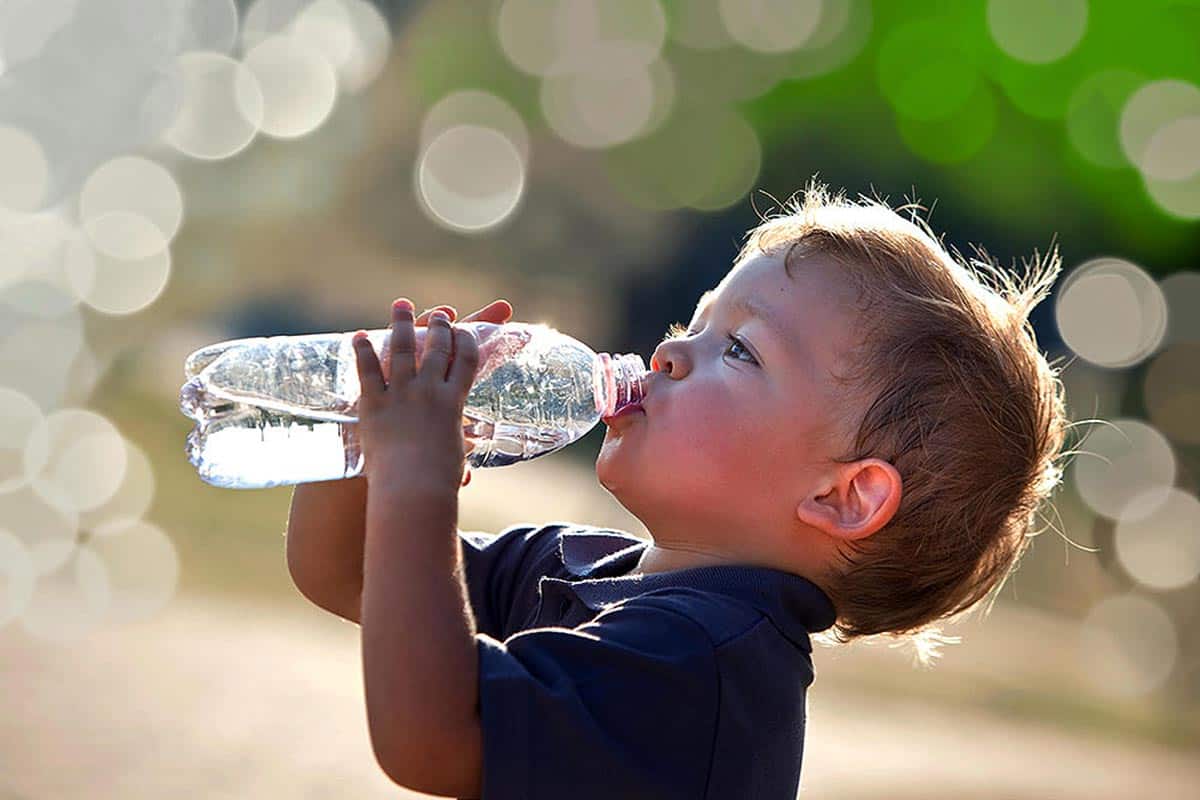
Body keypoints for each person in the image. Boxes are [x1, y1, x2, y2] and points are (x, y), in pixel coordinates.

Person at [285, 180, 1071, 799]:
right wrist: (368, 442)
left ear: (844, 497)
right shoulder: (589, 569)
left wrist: (419, 484)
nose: (667, 352)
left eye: (737, 349)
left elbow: (429, 738)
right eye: (692, 323)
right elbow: (347, 567)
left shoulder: (704, 667)